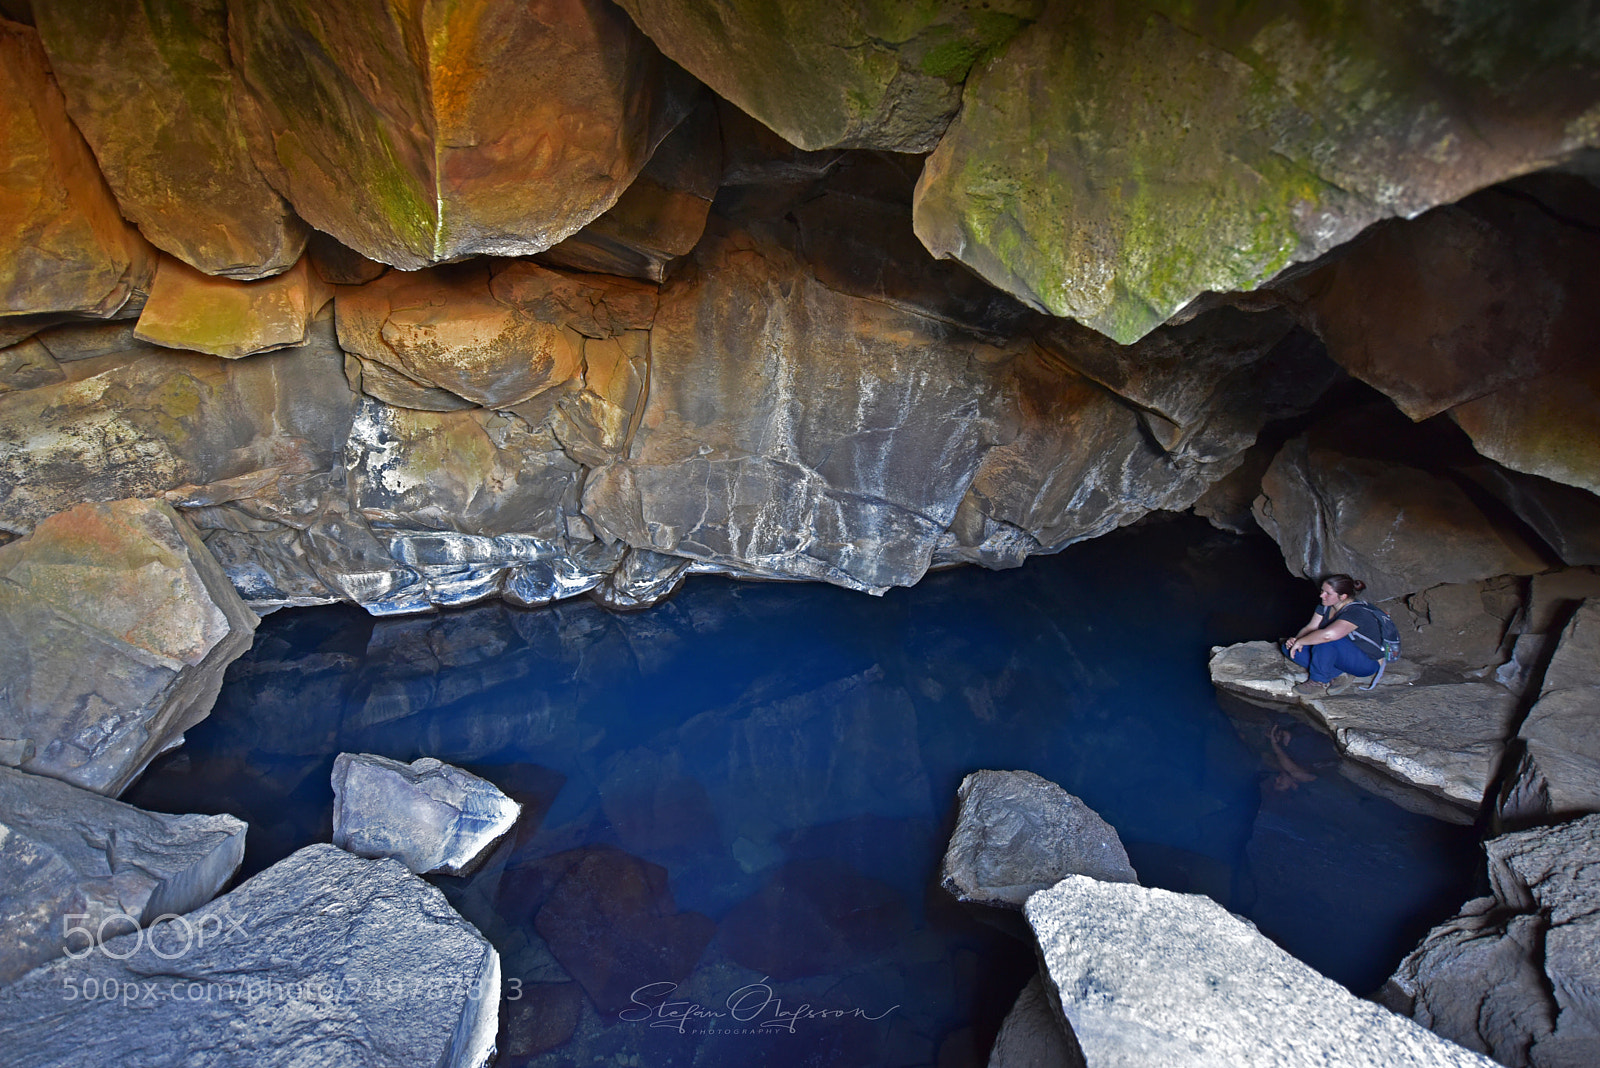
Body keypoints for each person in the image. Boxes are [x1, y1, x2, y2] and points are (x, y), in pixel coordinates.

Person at [1282, 574, 1380, 696]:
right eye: (1322, 591)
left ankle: (1318, 681)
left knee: (1323, 639)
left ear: (1343, 596)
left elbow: (1328, 636)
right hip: (1339, 652)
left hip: (1366, 662)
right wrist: (1296, 640)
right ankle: (1339, 674)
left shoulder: (1356, 612)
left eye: (1327, 593)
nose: (1321, 595)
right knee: (1289, 648)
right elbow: (1311, 627)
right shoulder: (1325, 606)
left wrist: (1301, 642)